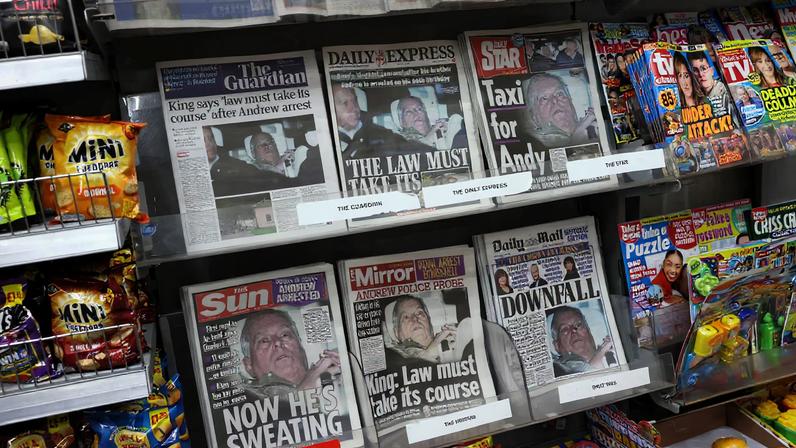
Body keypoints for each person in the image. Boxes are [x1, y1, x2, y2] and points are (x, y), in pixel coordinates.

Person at [240, 309, 340, 399]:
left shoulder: (332, 367)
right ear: (249, 365)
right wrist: (305, 394)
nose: (278, 342)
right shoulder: (246, 399)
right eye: (264, 341)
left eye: (284, 335)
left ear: (300, 345)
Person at [332, 85, 431, 160]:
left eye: (354, 101)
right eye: (344, 103)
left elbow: (412, 149)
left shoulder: (383, 134)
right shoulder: (321, 143)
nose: (354, 108)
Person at [522, 73, 597, 149]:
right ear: (534, 117)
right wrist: (576, 142)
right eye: (544, 98)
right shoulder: (536, 146)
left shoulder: (593, 126)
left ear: (570, 101)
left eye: (559, 94)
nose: (555, 100)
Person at [384, 295, 460, 364]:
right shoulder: (393, 358)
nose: (414, 319)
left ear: (429, 322)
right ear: (397, 333)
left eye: (419, 313)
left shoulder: (452, 339)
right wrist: (430, 353)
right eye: (406, 317)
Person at [203, 127, 272, 196]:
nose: (210, 143)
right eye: (203, 140)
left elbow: (261, 178)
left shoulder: (237, 165)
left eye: (211, 138)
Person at [549, 306, 616, 377]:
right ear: (557, 346)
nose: (573, 331)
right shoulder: (557, 371)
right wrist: (598, 358)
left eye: (578, 325)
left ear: (589, 331)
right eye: (565, 329)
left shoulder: (612, 348)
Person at [396, 96, 465, 149]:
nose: (415, 113)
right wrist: (430, 136)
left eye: (419, 109)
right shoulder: (400, 141)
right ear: (402, 122)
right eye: (408, 112)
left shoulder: (447, 126)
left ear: (427, 115)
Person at [688, 52, 733, 118]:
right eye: (695, 70)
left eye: (704, 68)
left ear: (712, 71)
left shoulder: (725, 93)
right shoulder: (695, 95)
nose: (701, 74)